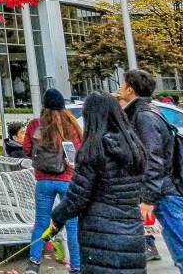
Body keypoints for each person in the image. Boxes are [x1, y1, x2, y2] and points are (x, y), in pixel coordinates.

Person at [50, 91, 146, 274]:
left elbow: (77, 198)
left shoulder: (94, 149)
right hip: (132, 230)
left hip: (99, 234)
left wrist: (57, 217)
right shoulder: (134, 146)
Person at [121, 67, 183, 271]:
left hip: (166, 192)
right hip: (167, 190)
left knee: (181, 248)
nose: (120, 88)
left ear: (130, 90)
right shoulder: (150, 112)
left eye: (123, 84)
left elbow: (153, 159)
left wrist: (148, 198)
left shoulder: (144, 116)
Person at [23, 88, 83, 274]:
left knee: (41, 222)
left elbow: (26, 149)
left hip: (43, 181)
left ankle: (34, 263)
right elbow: (79, 152)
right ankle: (76, 266)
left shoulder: (35, 125)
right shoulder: (70, 126)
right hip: (67, 181)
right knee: (73, 226)